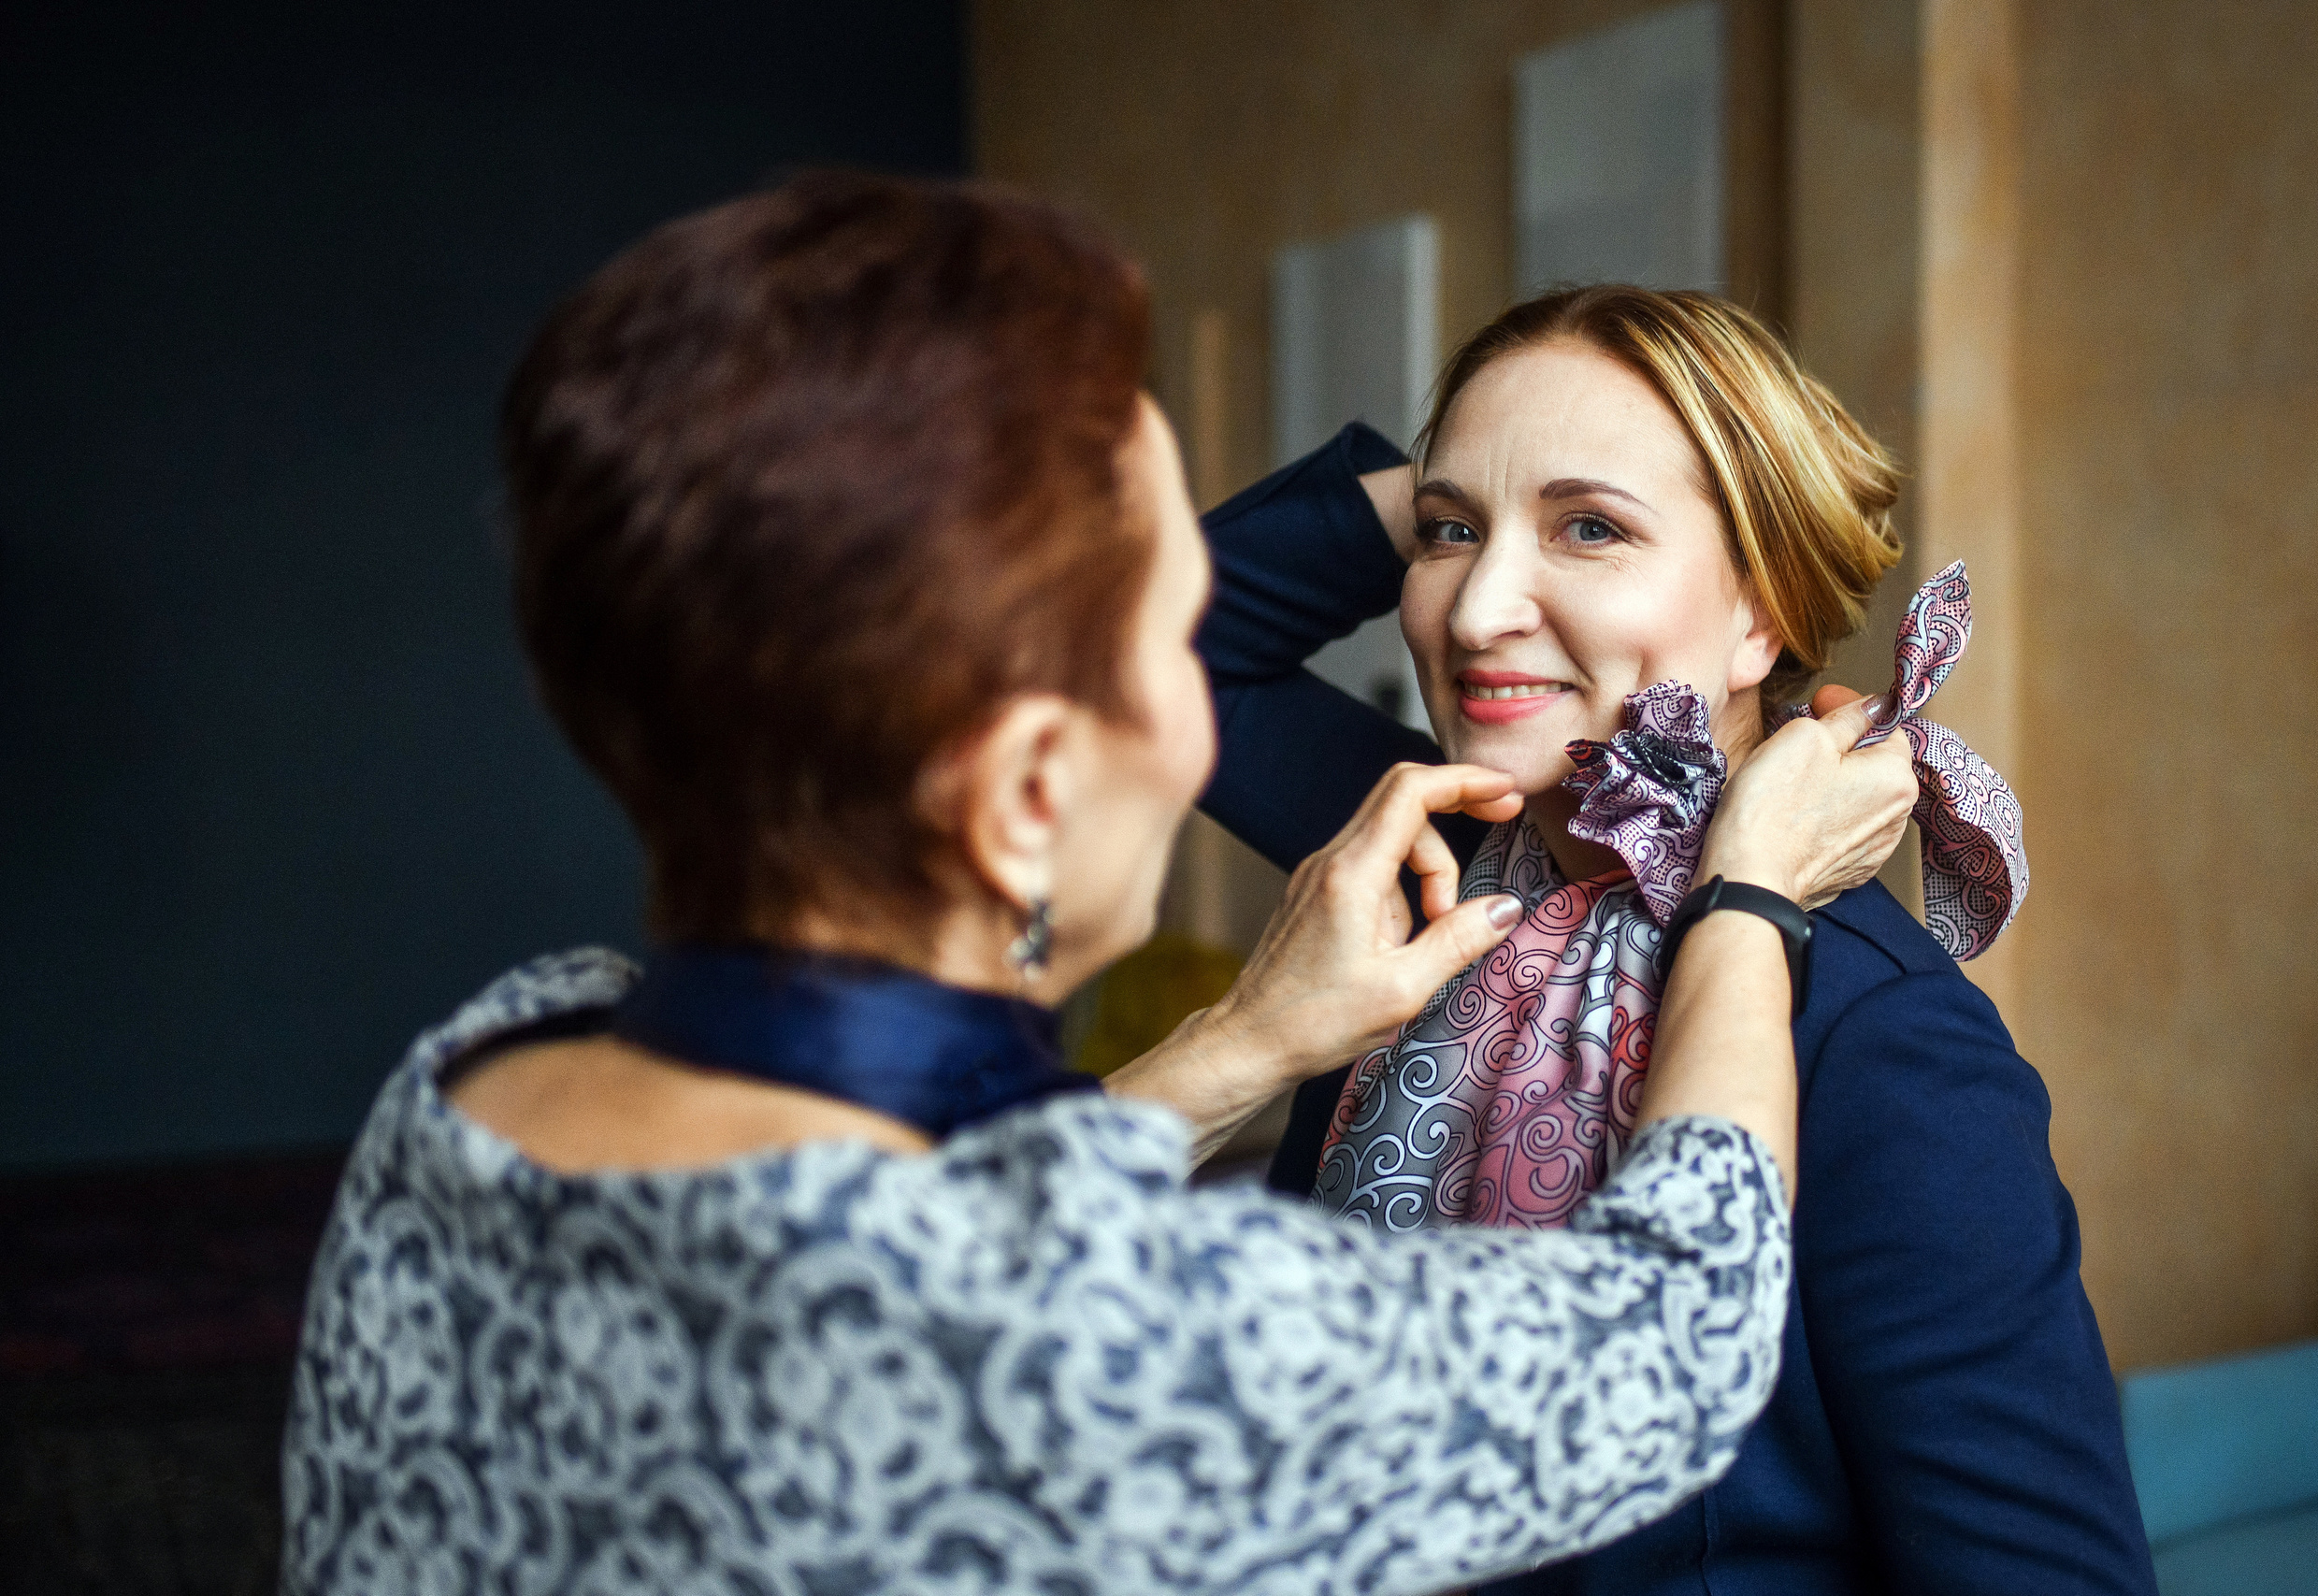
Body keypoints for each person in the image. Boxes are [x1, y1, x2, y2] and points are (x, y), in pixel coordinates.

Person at [279, 177, 1919, 1596]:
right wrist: (1750, 900)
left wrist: (1236, 1047)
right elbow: (1678, 1333)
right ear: (1028, 796)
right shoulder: (1096, 1341)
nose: (1474, 611)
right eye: (1157, 619)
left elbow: (911, 1242)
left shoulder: (472, 1080)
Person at [1196, 287, 2159, 1593]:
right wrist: (1463, 471)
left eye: (1590, 527)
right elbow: (1163, 654)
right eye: (1450, 534)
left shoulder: (1882, 1038)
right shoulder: (1408, 862)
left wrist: (1486, 488)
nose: (1480, 612)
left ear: (1760, 610)